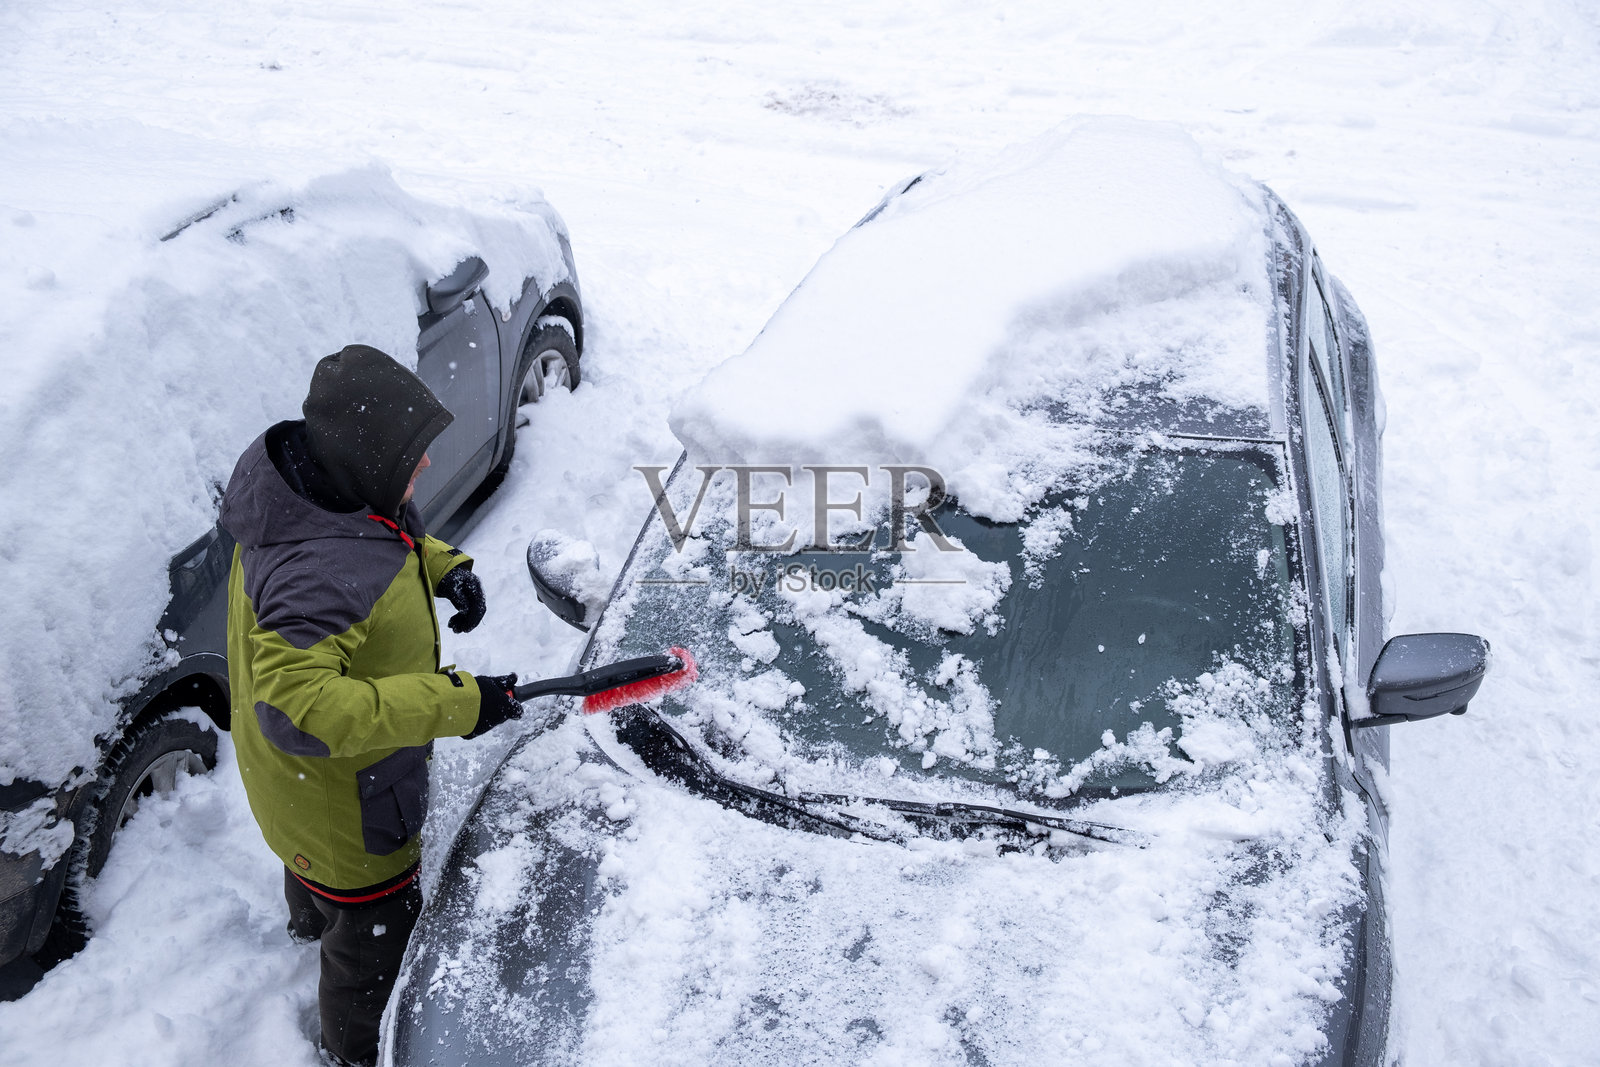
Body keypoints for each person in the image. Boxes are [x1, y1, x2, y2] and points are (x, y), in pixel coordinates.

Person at [219, 344, 526, 1066]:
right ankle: (356, 1049)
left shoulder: (305, 489)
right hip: (350, 806)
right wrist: (459, 701)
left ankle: (309, 917)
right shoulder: (321, 572)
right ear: (366, 455)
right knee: (370, 946)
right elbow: (302, 711)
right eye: (411, 457)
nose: (423, 467)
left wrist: (443, 566)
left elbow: (383, 534)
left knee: (309, 865)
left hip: (290, 789)